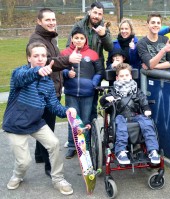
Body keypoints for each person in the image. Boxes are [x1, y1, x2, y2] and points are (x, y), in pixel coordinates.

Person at [3, 42, 77, 195]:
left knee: (54, 143)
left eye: (43, 56)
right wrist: (37, 71)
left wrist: (67, 111)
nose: (40, 59)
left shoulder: (47, 83)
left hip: (36, 122)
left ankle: (58, 179)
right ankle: (17, 175)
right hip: (16, 124)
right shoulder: (19, 73)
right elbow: (25, 77)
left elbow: (54, 106)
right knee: (24, 162)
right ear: (28, 58)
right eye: (36, 56)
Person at [28, 8, 82, 177]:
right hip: (44, 91)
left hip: (53, 87)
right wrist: (68, 60)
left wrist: (66, 67)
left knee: (42, 124)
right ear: (39, 21)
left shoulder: (50, 37)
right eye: (48, 20)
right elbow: (46, 62)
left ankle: (39, 156)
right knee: (47, 129)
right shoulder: (37, 40)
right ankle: (50, 167)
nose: (52, 22)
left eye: (53, 19)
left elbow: (55, 61)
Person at [100, 63, 160, 164]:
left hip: (135, 115)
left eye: (127, 75)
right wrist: (106, 98)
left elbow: (143, 100)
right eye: (122, 76)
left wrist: (146, 108)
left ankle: (153, 150)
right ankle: (121, 152)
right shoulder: (114, 91)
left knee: (147, 123)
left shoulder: (136, 90)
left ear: (131, 76)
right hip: (120, 116)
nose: (124, 78)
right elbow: (102, 101)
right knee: (121, 125)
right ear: (117, 78)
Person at [66, 2, 114, 123]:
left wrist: (103, 35)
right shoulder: (79, 26)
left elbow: (110, 48)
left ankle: (91, 135)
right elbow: (69, 46)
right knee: (75, 108)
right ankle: (75, 138)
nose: (96, 16)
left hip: (96, 69)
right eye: (95, 13)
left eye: (100, 14)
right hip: (79, 68)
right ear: (89, 12)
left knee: (92, 105)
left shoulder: (103, 27)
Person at [61, 27, 104, 158]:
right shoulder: (64, 53)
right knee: (73, 120)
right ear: (72, 39)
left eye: (81, 38)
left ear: (85, 40)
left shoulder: (93, 54)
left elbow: (99, 71)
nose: (79, 40)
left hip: (88, 93)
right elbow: (58, 70)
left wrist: (93, 83)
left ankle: (85, 146)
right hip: (71, 92)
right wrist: (67, 73)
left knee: (85, 120)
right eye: (76, 38)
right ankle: (72, 146)